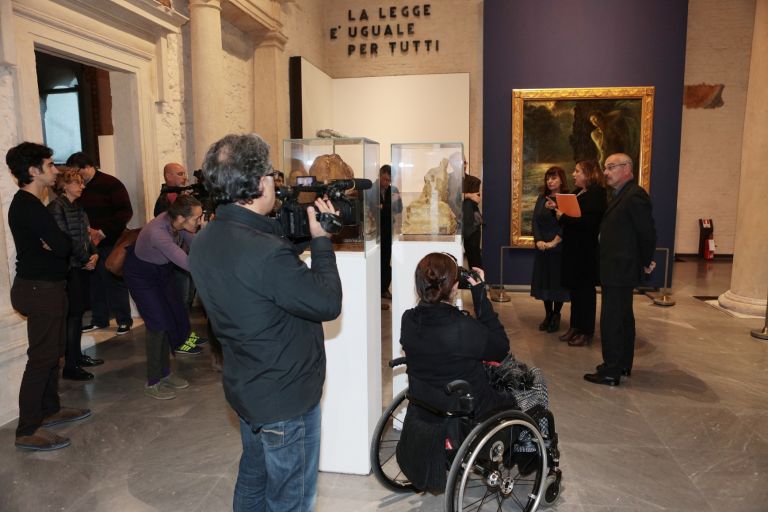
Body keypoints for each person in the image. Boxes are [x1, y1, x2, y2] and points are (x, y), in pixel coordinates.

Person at [188, 133, 342, 511]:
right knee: (290, 499)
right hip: (285, 397)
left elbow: (258, 271)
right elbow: (327, 303)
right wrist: (321, 241)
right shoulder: (266, 254)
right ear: (259, 183)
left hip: (247, 385)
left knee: (254, 481)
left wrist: (300, 237)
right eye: (272, 175)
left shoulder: (206, 238)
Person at [6, 142, 91, 451]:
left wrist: (57, 245)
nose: (56, 170)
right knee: (41, 358)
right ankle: (27, 429)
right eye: (51, 165)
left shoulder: (34, 204)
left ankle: (50, 409)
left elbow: (59, 245)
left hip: (48, 287)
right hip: (38, 289)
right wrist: (58, 246)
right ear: (33, 170)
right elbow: (64, 246)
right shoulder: (27, 205)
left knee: (53, 352)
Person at [400, 253, 511, 419]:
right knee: (534, 390)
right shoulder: (463, 327)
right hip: (467, 409)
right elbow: (501, 348)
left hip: (424, 406)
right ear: (454, 287)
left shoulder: (408, 319)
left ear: (418, 286)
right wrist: (480, 295)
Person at [584, 153, 656, 386]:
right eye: (605, 167)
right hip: (616, 267)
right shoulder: (621, 195)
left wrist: (645, 261)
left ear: (627, 168)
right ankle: (622, 363)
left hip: (620, 268)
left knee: (612, 319)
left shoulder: (635, 195)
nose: (605, 172)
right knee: (623, 317)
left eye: (611, 167)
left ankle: (611, 371)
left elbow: (646, 233)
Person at [123, 195, 203, 399]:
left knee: (171, 320)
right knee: (158, 325)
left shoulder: (178, 224)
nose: (199, 222)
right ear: (181, 218)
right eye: (196, 218)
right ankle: (153, 382)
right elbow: (188, 264)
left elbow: (198, 247)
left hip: (161, 273)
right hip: (141, 276)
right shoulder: (158, 232)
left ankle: (165, 374)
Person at [65, 152, 133, 335]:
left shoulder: (111, 184)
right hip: (88, 242)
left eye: (77, 171)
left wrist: (102, 232)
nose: (77, 177)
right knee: (94, 282)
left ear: (88, 167)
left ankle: (124, 320)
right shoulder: (78, 187)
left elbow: (125, 212)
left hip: (110, 240)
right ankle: (99, 319)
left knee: (113, 278)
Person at [47, 167, 102, 381]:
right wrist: (85, 259)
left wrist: (94, 254)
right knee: (73, 316)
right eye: (77, 182)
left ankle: (77, 356)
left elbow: (87, 235)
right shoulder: (56, 208)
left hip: (81, 266)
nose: (82, 186)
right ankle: (70, 364)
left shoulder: (78, 207)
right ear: (64, 185)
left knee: (78, 315)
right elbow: (65, 239)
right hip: (69, 269)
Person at [153, 162, 206, 355]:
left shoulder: (182, 197)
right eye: (180, 174)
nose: (184, 177)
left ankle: (186, 334)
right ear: (168, 176)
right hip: (173, 259)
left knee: (186, 300)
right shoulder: (165, 201)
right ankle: (180, 339)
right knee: (180, 300)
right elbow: (171, 228)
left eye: (185, 173)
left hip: (184, 254)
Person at [552, 160, 606, 347]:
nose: (573, 174)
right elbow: (569, 220)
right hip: (573, 250)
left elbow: (589, 224)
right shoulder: (577, 193)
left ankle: (586, 331)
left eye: (577, 171)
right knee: (575, 292)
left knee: (585, 293)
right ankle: (575, 326)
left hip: (585, 252)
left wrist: (563, 216)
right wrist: (556, 212)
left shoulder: (597, 195)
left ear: (589, 174)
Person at [530, 166, 570, 333]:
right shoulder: (542, 198)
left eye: (554, 178)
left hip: (559, 248)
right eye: (548, 178)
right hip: (542, 249)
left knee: (557, 283)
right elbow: (535, 221)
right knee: (544, 282)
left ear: (561, 179)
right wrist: (539, 240)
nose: (550, 181)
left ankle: (556, 315)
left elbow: (567, 224)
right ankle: (547, 314)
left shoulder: (567, 199)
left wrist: (554, 242)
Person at [378, 164, 402, 300]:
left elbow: (399, 209)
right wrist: (387, 206)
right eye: (385, 179)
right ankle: (374, 288)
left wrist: (384, 206)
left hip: (387, 230)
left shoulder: (394, 189)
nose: (387, 183)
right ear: (380, 175)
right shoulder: (372, 188)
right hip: (373, 230)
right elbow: (370, 207)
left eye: (389, 180)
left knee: (386, 261)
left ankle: (384, 289)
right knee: (376, 261)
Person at [462, 174, 483, 269]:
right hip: (454, 221)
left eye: (465, 163)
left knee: (474, 256)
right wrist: (469, 195)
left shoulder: (474, 180)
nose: (464, 165)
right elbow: (450, 198)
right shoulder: (449, 179)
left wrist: (462, 196)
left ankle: (477, 282)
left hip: (471, 224)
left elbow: (476, 200)